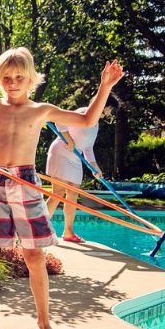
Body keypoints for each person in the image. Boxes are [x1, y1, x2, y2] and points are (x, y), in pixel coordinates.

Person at [0, 34, 123, 329]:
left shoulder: (40, 110)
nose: (12, 83)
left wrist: (105, 87)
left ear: (30, 78)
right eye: (6, 77)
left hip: (26, 183)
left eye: (19, 77)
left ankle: (44, 323)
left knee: (34, 256)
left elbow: (87, 119)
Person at [46, 98, 119, 243]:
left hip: (75, 158)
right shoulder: (82, 112)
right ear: (104, 104)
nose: (110, 113)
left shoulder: (95, 124)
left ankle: (68, 232)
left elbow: (88, 148)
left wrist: (94, 166)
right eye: (110, 109)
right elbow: (60, 122)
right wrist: (68, 139)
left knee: (73, 195)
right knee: (58, 193)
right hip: (61, 153)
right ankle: (40, 229)